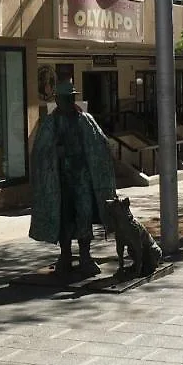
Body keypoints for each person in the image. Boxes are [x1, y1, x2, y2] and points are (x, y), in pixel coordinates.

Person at [29, 81, 117, 275]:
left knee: (84, 215)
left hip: (83, 178)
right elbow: (40, 153)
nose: (69, 101)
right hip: (60, 181)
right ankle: (65, 255)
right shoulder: (50, 124)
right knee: (64, 218)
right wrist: (54, 153)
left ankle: (85, 256)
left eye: (72, 97)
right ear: (57, 100)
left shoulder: (85, 120)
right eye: (65, 98)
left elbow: (101, 143)